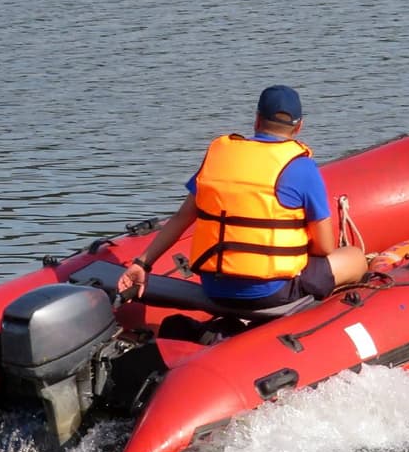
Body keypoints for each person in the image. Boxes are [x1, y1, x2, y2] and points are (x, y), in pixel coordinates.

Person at [117, 85, 367, 310]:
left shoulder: (219, 155)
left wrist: (143, 264)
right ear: (299, 126)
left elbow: (182, 217)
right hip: (271, 292)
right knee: (354, 257)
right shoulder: (301, 166)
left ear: (257, 119)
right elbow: (324, 247)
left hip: (214, 288)